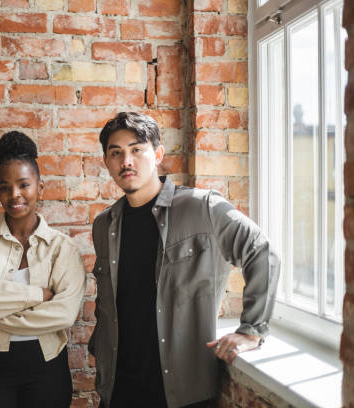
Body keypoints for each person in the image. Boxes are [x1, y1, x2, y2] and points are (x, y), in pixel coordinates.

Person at [89, 112, 280, 408]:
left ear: (158, 154)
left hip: (180, 393)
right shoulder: (105, 225)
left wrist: (251, 330)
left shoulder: (202, 207)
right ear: (107, 162)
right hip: (118, 390)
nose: (126, 161)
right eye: (116, 153)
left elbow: (261, 251)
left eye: (136, 150)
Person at [0, 131, 86, 408]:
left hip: (47, 368)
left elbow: (65, 314)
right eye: (4, 187)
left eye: (24, 184)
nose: (15, 195)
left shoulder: (63, 248)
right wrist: (36, 295)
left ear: (40, 187)